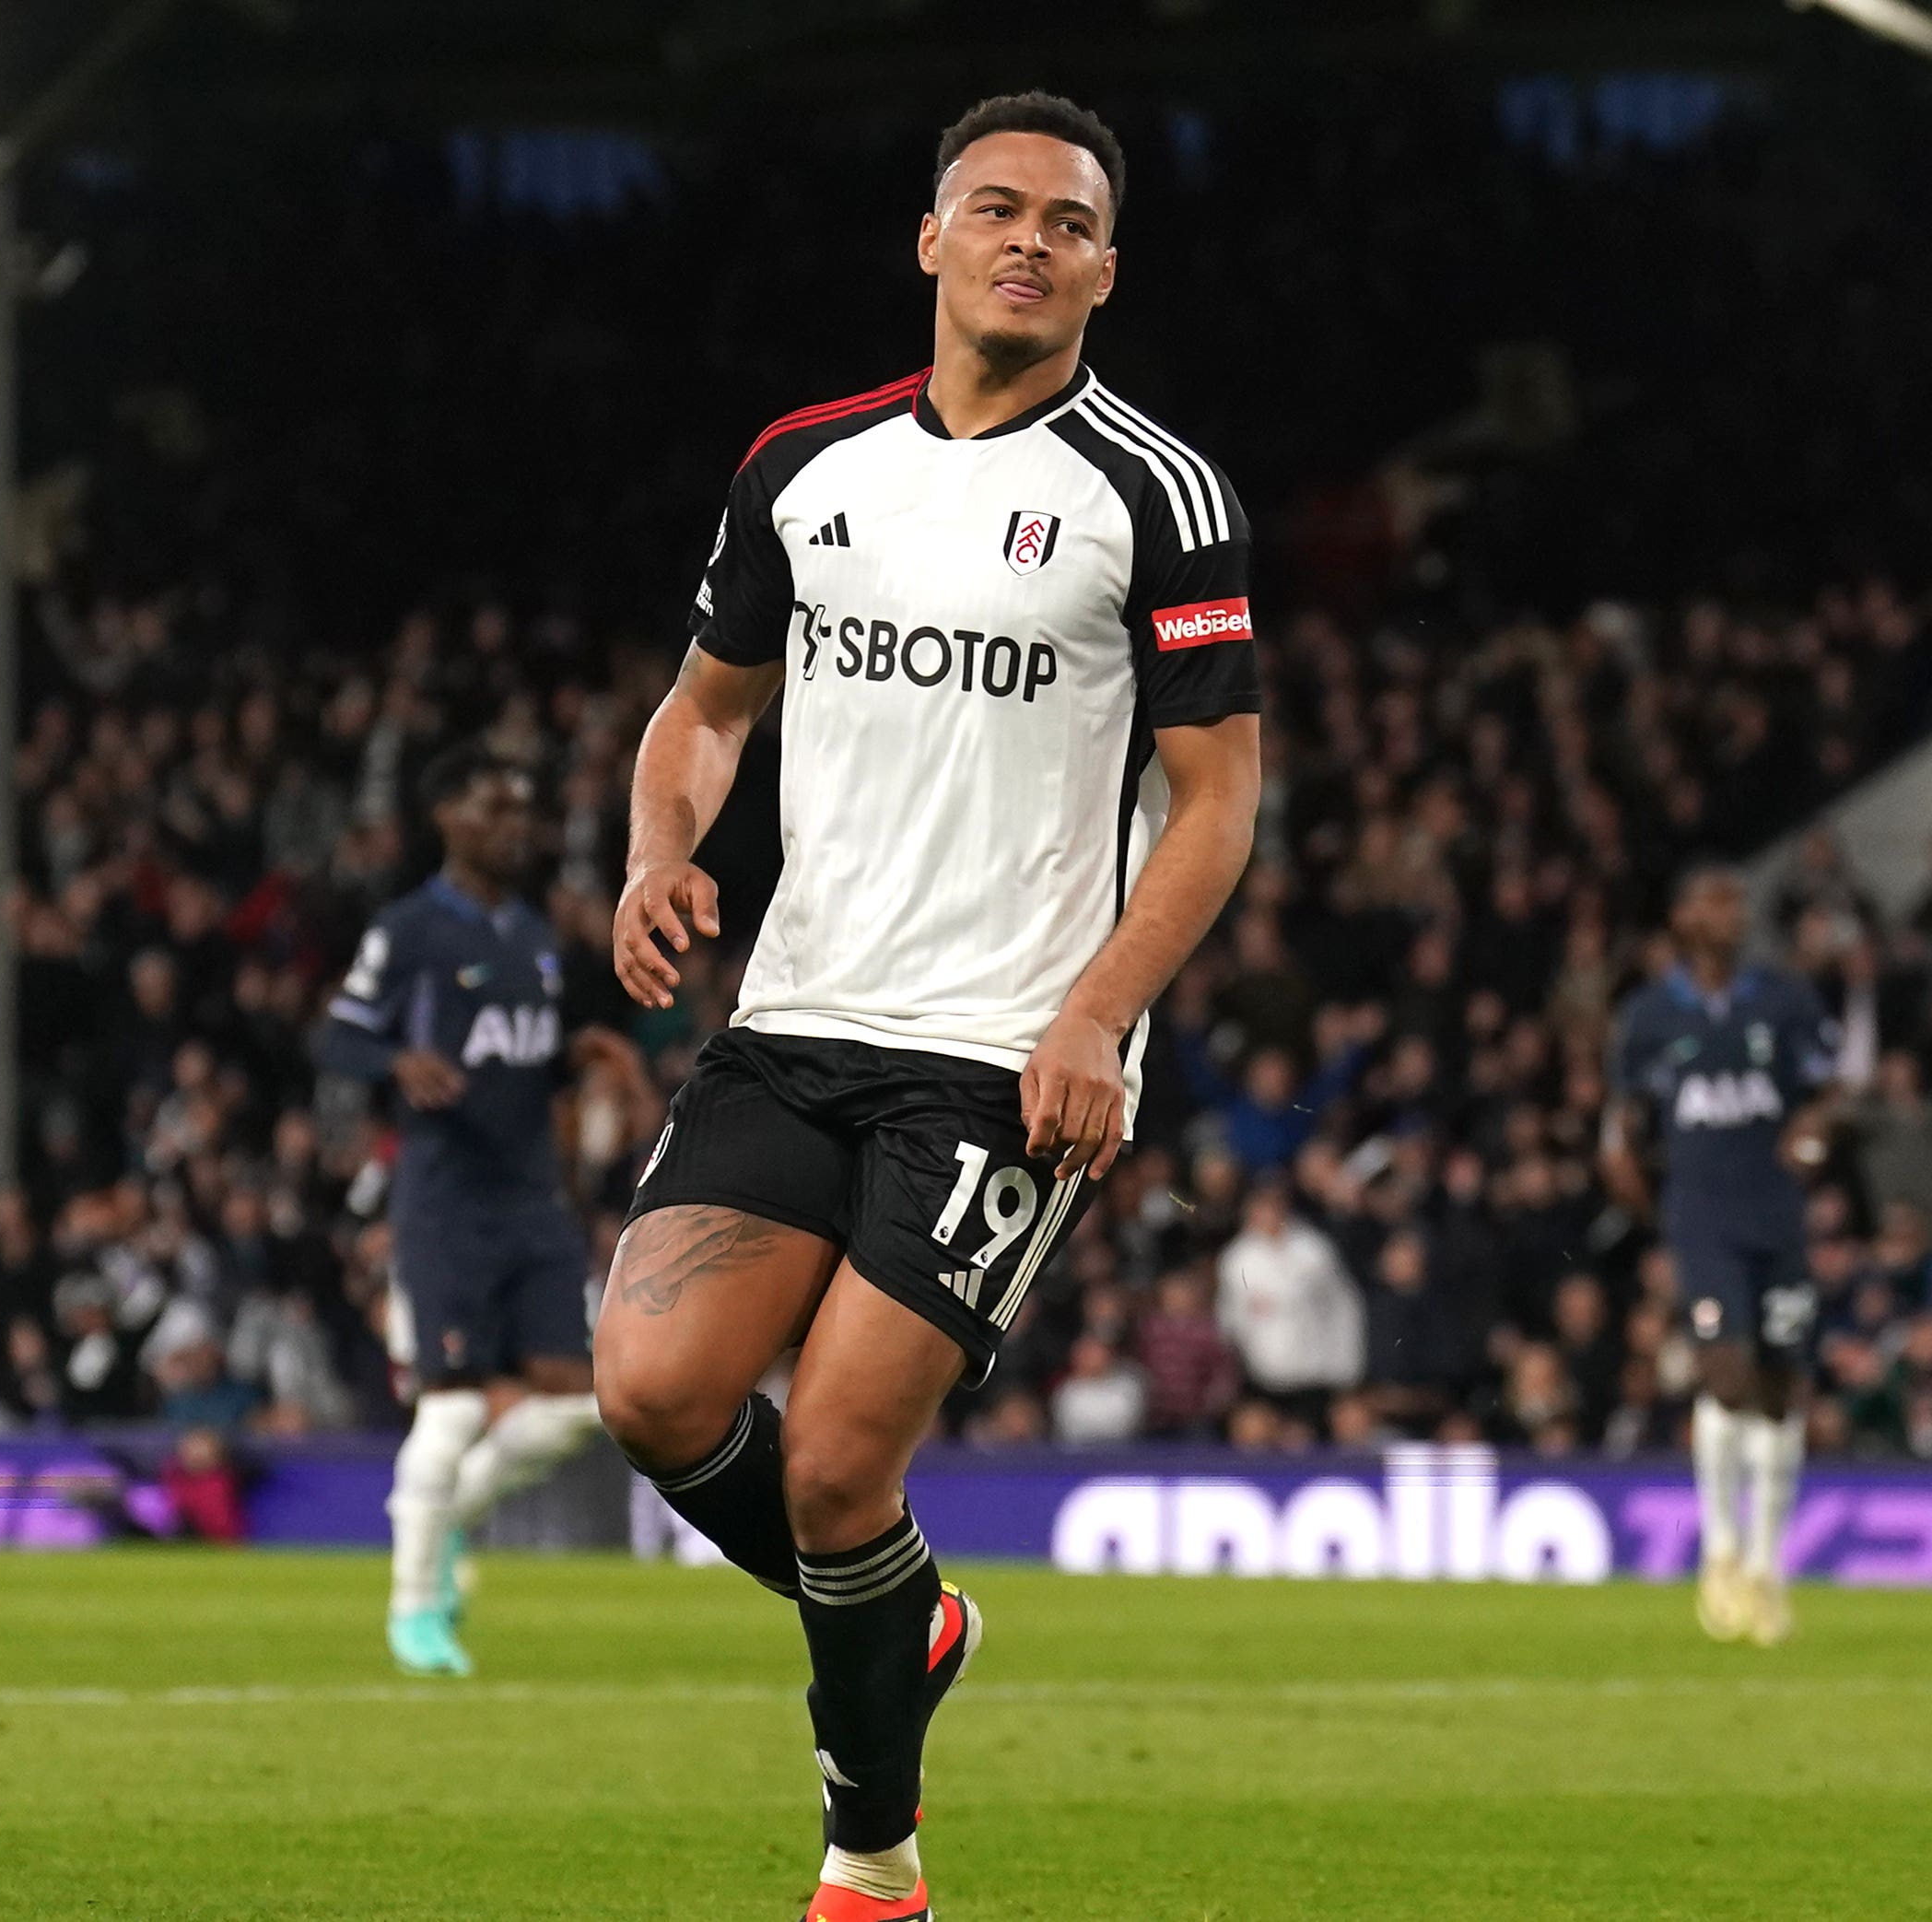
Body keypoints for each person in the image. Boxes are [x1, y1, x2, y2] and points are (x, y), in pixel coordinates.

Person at [594, 92, 1260, 1922]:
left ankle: (869, 1859)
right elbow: (706, 703)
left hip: (997, 1057)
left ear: (1106, 269)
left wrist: (1097, 1016)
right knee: (649, 1390)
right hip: (796, 1015)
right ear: (930, 238)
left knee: (830, 1462)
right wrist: (659, 848)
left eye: (1064, 220)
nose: (1026, 238)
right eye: (994, 208)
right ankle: (913, 1617)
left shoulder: (1155, 491)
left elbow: (1216, 797)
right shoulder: (805, 466)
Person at [319, 744, 648, 1677]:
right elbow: (339, 1030)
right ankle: (415, 1611)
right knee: (455, 1406)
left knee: (585, 1403)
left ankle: (444, 1519)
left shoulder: (535, 938)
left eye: (522, 809)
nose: (516, 826)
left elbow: (521, 1059)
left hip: (533, 1197)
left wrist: (580, 1055)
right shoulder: (412, 929)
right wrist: (395, 1062)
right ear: (447, 820)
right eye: (495, 808)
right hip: (446, 1201)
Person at [1605, 865, 1839, 1648]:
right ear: (1681, 915)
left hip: (1776, 1216)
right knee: (1725, 1372)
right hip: (1703, 1220)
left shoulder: (1785, 1000)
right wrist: (1653, 1210)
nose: (1729, 913)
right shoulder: (1645, 1017)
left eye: (1737, 900)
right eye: (1713, 899)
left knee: (1779, 1391)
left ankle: (1769, 1569)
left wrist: (1813, 1129)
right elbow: (1621, 1125)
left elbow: (1826, 1091)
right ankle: (1720, 1551)